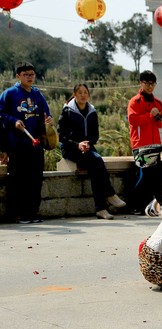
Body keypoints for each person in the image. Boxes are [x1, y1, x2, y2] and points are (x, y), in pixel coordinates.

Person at [57, 84, 126, 220]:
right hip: (70, 148)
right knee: (97, 161)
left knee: (96, 166)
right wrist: (78, 145)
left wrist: (88, 143)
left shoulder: (92, 111)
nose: (83, 95)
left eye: (85, 92)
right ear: (75, 95)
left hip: (87, 148)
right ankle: (109, 195)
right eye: (80, 93)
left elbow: (95, 135)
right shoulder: (67, 111)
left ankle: (101, 209)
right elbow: (61, 136)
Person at [0, 62, 54, 224]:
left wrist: (48, 120)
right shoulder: (9, 94)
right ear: (18, 76)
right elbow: (1, 114)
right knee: (18, 180)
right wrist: (13, 120)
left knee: (35, 179)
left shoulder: (38, 94)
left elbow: (46, 113)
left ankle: (32, 212)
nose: (30, 77)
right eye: (26, 75)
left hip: (35, 144)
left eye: (32, 74)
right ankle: (17, 214)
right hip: (17, 144)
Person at [128, 70, 162, 216]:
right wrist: (148, 115)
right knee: (144, 176)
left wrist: (161, 120)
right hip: (141, 144)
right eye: (147, 83)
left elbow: (158, 125)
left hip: (154, 145)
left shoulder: (158, 103)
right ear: (141, 83)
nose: (150, 86)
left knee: (152, 177)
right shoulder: (135, 102)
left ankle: (151, 204)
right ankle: (137, 205)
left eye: (152, 84)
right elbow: (133, 120)